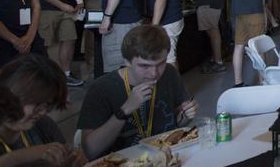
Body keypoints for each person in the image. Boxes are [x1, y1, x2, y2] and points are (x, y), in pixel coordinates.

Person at [76, 25, 196, 159]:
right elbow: (90, 150)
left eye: (160, 63)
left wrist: (184, 117)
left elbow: (175, 124)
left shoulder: (169, 73)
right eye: (144, 66)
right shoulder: (101, 89)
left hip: (165, 158)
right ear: (126, 61)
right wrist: (125, 110)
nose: (154, 73)